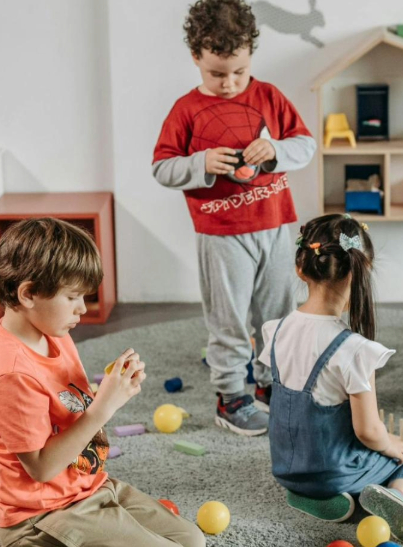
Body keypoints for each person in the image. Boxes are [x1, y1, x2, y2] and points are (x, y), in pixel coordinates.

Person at [0, 218, 205, 547]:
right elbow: (40, 468)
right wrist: (105, 406)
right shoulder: (9, 373)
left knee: (193, 545)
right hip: (40, 519)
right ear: (28, 294)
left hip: (88, 489)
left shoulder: (53, 335)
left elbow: (68, 406)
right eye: (73, 297)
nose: (83, 308)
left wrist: (109, 386)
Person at [153, 0, 316, 436]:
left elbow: (305, 145)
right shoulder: (186, 110)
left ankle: (270, 386)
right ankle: (231, 397)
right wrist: (201, 161)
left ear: (250, 55)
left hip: (277, 226)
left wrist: (278, 150)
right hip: (221, 233)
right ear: (196, 58)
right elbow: (162, 168)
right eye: (217, 74)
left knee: (279, 315)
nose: (229, 84)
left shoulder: (268, 97)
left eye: (239, 72)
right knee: (228, 320)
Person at [258, 214, 403, 544]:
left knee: (341, 455)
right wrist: (393, 445)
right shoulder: (354, 349)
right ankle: (397, 496)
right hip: (335, 472)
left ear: (300, 268)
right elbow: (368, 431)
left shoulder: (275, 331)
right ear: (361, 270)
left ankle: (310, 496)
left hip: (289, 470)